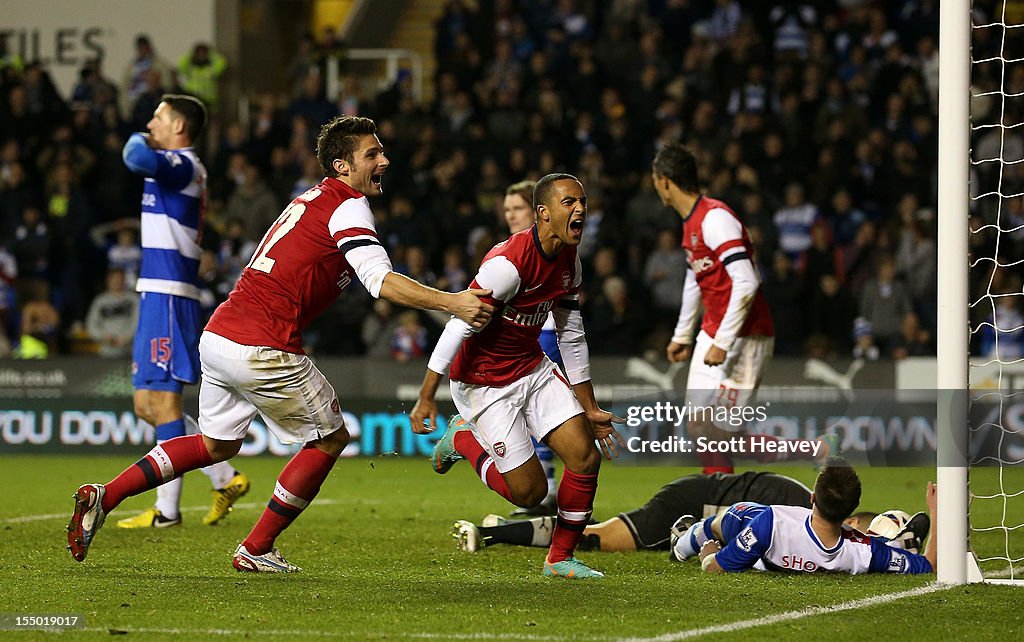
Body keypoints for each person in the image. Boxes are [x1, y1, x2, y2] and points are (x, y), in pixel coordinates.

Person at [67, 115, 494, 573]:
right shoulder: (348, 205)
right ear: (342, 166)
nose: (384, 160)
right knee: (331, 439)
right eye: (372, 154)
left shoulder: (309, 198)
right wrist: (454, 302)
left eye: (382, 151)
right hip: (262, 344)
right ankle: (256, 548)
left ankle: (104, 495)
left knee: (215, 446)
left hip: (221, 334)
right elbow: (380, 282)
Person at [410, 173, 625, 579]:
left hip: (531, 367)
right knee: (530, 492)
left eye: (582, 201)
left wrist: (589, 405)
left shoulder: (569, 260)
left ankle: (559, 560)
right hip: (484, 382)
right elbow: (458, 323)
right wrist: (426, 395)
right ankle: (462, 439)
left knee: (584, 456)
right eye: (569, 203)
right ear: (542, 213)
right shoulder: (506, 266)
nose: (580, 209)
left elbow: (572, 334)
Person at [652, 141, 833, 473]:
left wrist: (723, 342)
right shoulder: (690, 223)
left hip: (745, 337)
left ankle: (812, 451)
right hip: (712, 333)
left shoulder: (715, 218)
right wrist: (682, 335)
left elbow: (747, 281)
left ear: (664, 180)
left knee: (721, 433)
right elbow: (696, 278)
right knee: (699, 428)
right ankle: (719, 506)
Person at [115, 94, 251, 530]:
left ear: (179, 127)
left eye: (157, 117)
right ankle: (225, 476)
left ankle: (166, 512)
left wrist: (140, 136)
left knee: (165, 401)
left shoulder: (187, 165)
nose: (150, 123)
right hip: (155, 291)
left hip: (171, 294)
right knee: (146, 404)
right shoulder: (174, 164)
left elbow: (134, 156)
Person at [682, 456, 937, 575]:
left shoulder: (773, 520)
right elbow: (929, 566)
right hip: (772, 556)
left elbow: (716, 568)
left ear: (812, 498)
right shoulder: (865, 552)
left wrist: (708, 554)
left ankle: (681, 544)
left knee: (722, 521)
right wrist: (938, 514)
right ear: (852, 509)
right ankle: (896, 545)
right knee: (883, 550)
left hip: (754, 531)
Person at [452, 470, 813, 553]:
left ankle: (501, 526)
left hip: (693, 492)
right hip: (685, 505)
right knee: (599, 537)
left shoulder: (798, 492)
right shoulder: (797, 510)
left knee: (599, 528)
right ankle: (490, 535)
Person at [502, 179, 558, 516]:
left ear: (537, 212)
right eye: (507, 210)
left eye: (518, 208)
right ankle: (547, 488)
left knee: (537, 409)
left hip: (543, 333)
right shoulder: (513, 246)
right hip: (524, 335)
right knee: (526, 412)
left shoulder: (545, 248)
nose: (511, 215)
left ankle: (548, 488)